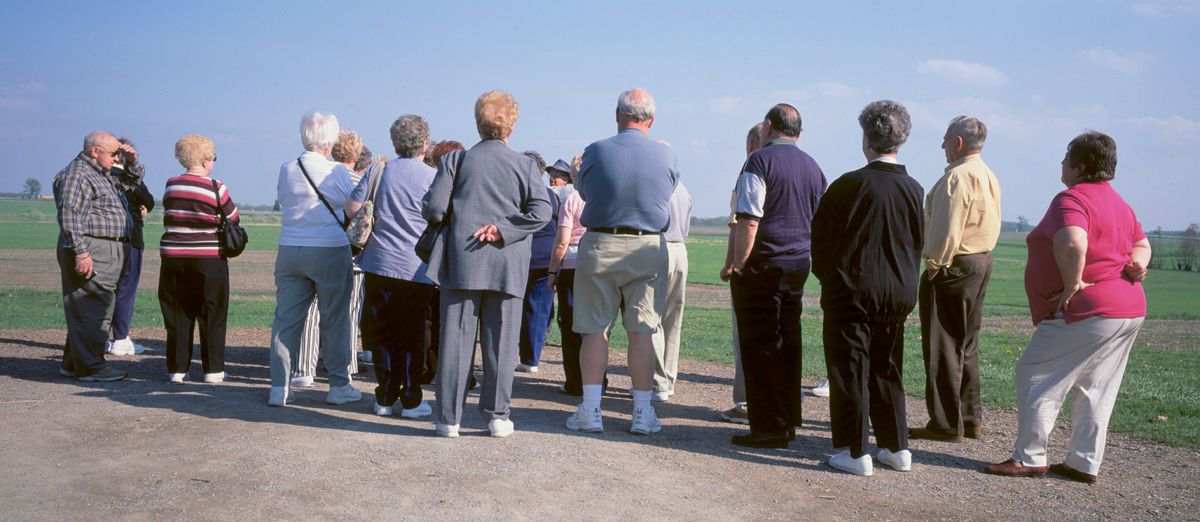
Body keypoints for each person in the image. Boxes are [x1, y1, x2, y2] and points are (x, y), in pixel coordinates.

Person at [984, 131, 1150, 484]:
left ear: (1081, 166)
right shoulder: (1120, 203)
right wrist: (1138, 263)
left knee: (1035, 374)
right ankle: (1083, 462)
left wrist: (1073, 283)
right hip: (1129, 306)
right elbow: (1142, 243)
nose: (1061, 163)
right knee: (1097, 385)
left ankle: (1029, 457)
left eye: (1066, 157)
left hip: (1090, 308)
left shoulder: (1071, 199)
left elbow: (1074, 241)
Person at [423, 91, 552, 438]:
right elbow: (542, 211)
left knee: (454, 343)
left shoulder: (456, 161)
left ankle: (449, 419)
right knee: (502, 343)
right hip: (507, 264)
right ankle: (496, 415)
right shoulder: (525, 165)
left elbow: (434, 209)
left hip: (462, 261)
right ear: (511, 125)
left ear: (477, 122)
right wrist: (504, 230)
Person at [812, 100, 923, 476]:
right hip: (898, 294)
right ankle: (896, 447)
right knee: (887, 369)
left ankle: (854, 450)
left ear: (867, 139)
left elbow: (821, 240)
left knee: (849, 369)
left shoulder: (849, 184)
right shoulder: (914, 188)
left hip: (853, 292)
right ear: (901, 139)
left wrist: (830, 278)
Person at [565, 88, 679, 435]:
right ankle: (642, 413)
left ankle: (591, 409)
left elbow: (585, 193)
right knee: (642, 331)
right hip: (648, 245)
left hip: (601, 242)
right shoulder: (667, 155)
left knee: (594, 330)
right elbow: (666, 192)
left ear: (617, 115)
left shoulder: (596, 150)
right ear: (651, 120)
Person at [723, 104, 827, 448]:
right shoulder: (814, 167)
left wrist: (739, 264)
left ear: (769, 126)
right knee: (788, 343)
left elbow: (749, 218)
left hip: (764, 264)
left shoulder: (759, 161)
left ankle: (767, 426)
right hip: (798, 264)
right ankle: (787, 419)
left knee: (760, 346)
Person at [911, 116, 1002, 442]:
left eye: (946, 140)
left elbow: (945, 229)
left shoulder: (956, 178)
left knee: (943, 346)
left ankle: (946, 423)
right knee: (967, 344)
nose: (942, 146)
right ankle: (969, 417)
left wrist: (934, 265)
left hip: (954, 266)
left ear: (958, 143)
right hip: (980, 262)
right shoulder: (988, 175)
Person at [267, 111, 362, 407]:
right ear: (329, 141)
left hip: (290, 247)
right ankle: (338, 385)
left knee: (286, 319)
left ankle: (279, 386)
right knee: (334, 318)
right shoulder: (337, 171)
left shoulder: (287, 168)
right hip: (329, 248)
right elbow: (351, 209)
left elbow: (283, 199)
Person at [346, 115, 437, 419]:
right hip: (417, 268)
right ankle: (411, 398)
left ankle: (384, 394)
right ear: (424, 143)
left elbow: (353, 208)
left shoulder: (378, 170)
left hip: (378, 262)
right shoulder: (432, 177)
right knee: (413, 334)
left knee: (383, 332)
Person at [53, 131, 135, 382]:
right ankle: (91, 368)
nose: (116, 158)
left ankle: (73, 364)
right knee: (93, 307)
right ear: (95, 151)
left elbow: (133, 184)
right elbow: (70, 215)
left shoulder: (101, 172)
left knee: (88, 307)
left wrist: (130, 162)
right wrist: (81, 252)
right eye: (113, 153)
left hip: (105, 248)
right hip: (93, 248)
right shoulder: (79, 174)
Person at [158, 134, 238, 383]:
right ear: (205, 159)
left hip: (173, 258)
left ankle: (177, 369)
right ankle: (213, 370)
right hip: (208, 258)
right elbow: (232, 217)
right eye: (213, 157)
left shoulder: (171, 184)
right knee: (212, 312)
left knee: (178, 313)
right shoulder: (216, 187)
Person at [292, 130, 364, 388]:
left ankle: (303, 368)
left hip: (314, 246)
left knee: (311, 312)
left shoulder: (319, 173)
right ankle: (347, 366)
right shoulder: (357, 179)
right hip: (352, 254)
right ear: (356, 154)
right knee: (348, 312)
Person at [547, 153, 600, 396]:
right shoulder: (600, 198)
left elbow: (562, 241)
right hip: (596, 265)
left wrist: (552, 271)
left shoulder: (571, 200)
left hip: (571, 266)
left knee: (569, 326)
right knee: (595, 327)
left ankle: (575, 382)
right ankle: (598, 380)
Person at [720, 123, 762, 424]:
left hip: (750, 263)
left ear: (750, 143)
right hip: (784, 263)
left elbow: (741, 221)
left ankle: (746, 403)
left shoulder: (751, 169)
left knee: (745, 335)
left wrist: (733, 263)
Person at [105, 137, 154, 357]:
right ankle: (121, 338)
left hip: (103, 241)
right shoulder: (128, 178)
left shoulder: (98, 177)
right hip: (131, 238)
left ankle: (100, 338)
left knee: (105, 290)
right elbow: (149, 199)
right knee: (126, 289)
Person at [516, 151, 561, 373]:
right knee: (540, 308)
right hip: (548, 257)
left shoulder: (519, 193)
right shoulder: (552, 196)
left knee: (516, 306)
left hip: (523, 255)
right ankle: (531, 357)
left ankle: (524, 356)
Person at [651, 180, 692, 402]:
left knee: (652, 316)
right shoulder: (683, 189)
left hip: (660, 246)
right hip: (680, 250)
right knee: (673, 321)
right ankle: (669, 379)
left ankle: (658, 382)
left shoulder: (657, 186)